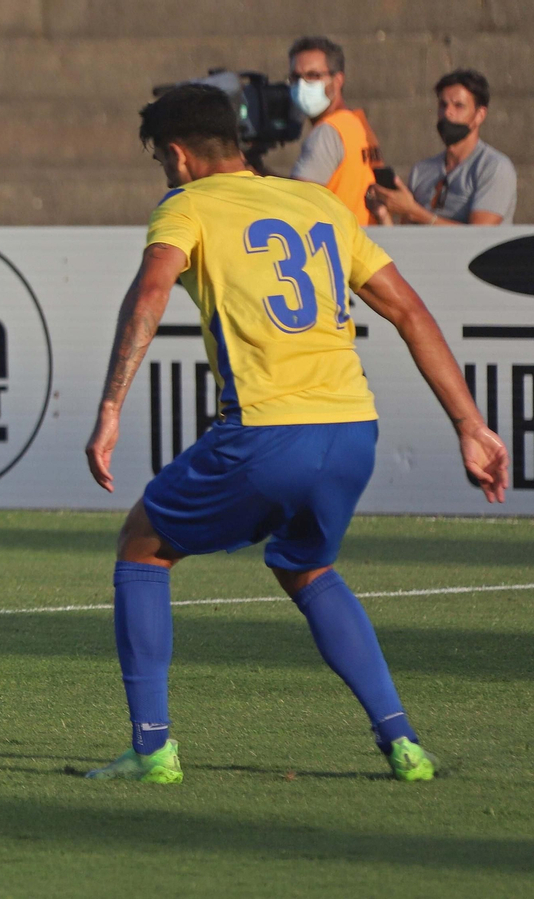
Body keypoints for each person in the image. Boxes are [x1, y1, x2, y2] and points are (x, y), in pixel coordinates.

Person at [82, 85, 508, 784]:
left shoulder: (186, 205)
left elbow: (151, 292)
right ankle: (403, 743)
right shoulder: (318, 204)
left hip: (268, 432)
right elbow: (409, 310)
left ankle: (152, 749)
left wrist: (109, 406)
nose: (165, 173)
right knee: (304, 565)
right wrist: (470, 425)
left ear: (179, 155)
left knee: (143, 545)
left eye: (162, 160)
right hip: (352, 432)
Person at [373, 69, 517, 226]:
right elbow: (407, 234)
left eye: (459, 106)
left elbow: (480, 235)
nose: (447, 113)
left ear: (480, 115)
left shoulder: (494, 167)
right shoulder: (421, 171)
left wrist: (414, 211)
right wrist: (383, 214)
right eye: (443, 105)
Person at [287, 36, 385, 225]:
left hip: (337, 239)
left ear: (338, 80)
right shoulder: (358, 123)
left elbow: (297, 204)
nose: (302, 85)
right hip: (363, 236)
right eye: (295, 77)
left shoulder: (327, 132)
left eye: (313, 75)